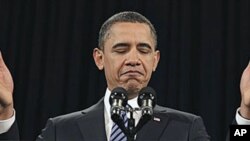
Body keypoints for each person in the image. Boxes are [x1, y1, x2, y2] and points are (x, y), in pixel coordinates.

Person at [0, 11, 249, 141]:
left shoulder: (185, 128)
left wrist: (247, 116)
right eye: (121, 49)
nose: (133, 59)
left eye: (144, 49)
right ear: (99, 58)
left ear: (155, 60)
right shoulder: (61, 130)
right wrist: (4, 115)